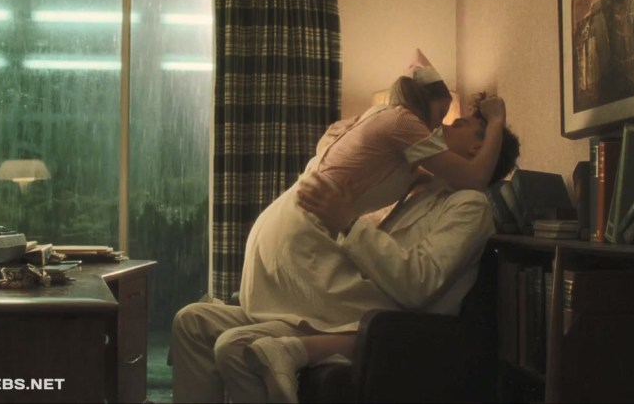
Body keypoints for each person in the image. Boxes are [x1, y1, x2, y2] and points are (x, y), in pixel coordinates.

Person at [170, 104, 521, 402]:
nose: (444, 125)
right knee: (192, 320)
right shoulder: (420, 188)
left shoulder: (470, 206)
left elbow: (419, 282)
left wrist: (349, 222)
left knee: (235, 346)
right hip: (344, 302)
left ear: (477, 149)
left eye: (459, 124)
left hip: (378, 322)